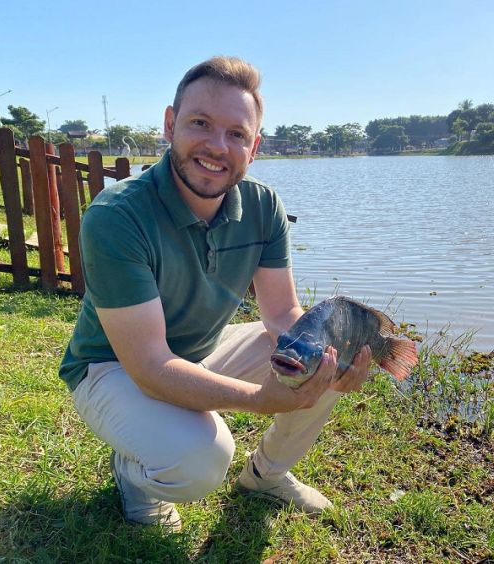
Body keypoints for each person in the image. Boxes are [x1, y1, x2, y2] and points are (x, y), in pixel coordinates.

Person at [59, 56, 372, 532]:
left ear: (255, 146)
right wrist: (263, 397)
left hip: (201, 352)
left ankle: (266, 475)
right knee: (203, 459)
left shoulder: (264, 206)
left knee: (320, 359)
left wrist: (332, 361)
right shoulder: (118, 215)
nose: (217, 146)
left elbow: (283, 311)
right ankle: (134, 476)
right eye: (201, 123)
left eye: (237, 134)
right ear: (170, 124)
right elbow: (149, 366)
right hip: (112, 369)